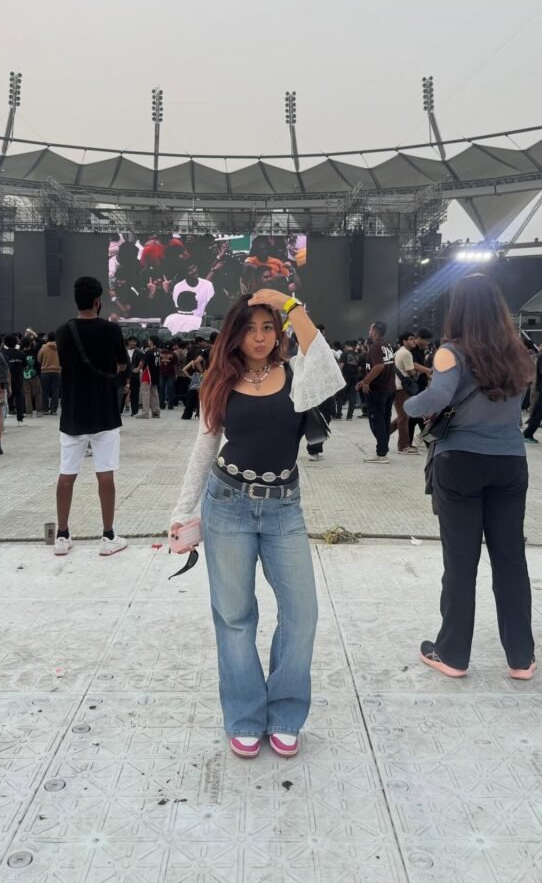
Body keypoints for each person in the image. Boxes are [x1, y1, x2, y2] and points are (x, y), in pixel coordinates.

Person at [169, 289, 344, 760]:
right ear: (235, 334)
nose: (261, 337)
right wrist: (183, 513)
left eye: (269, 327)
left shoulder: (297, 376)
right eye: (251, 328)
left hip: (285, 507)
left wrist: (291, 304)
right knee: (234, 616)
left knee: (302, 612)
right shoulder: (220, 380)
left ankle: (286, 710)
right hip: (226, 504)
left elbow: (328, 367)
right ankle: (245, 715)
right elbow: (205, 448)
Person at [404, 274, 535, 679]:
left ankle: (453, 655)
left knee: (461, 561)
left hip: (460, 461)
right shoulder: (518, 352)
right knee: (511, 558)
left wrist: (408, 405)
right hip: (511, 462)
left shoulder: (450, 352)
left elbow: (438, 397)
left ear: (458, 308)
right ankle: (521, 657)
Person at [53, 276, 129, 557]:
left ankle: (62, 535)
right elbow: (122, 363)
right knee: (105, 475)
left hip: (73, 411)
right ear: (98, 301)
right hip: (104, 411)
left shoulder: (63, 331)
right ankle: (108, 536)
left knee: (66, 475)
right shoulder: (111, 330)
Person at [357, 321, 395, 463]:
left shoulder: (375, 347)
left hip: (378, 390)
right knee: (385, 420)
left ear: (374, 331)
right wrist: (364, 381)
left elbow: (379, 366)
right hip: (389, 389)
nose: (369, 331)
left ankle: (381, 453)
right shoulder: (387, 345)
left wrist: (366, 381)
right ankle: (383, 450)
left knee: (377, 421)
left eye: (370, 329)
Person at [389, 331, 422, 455]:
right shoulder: (406, 353)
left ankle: (384, 434)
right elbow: (410, 372)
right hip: (402, 389)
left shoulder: (398, 352)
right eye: (411, 339)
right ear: (404, 341)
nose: (414, 341)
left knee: (402, 415)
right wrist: (417, 374)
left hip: (397, 387)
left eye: (414, 338)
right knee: (404, 417)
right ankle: (403, 446)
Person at [2, 334, 26, 424]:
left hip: (6, 378)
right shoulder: (21, 353)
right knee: (19, 396)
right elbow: (25, 366)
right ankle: (20, 418)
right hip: (19, 378)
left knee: (6, 397)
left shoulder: (3, 353)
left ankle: (5, 416)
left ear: (5, 343)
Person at [38, 331, 62, 415]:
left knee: (45, 391)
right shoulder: (60, 347)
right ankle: (54, 410)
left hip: (45, 371)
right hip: (57, 371)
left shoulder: (43, 347)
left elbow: (39, 359)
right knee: (56, 391)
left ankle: (45, 409)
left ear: (48, 338)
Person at [138, 336, 161, 419]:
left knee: (145, 393)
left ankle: (145, 413)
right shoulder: (158, 352)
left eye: (149, 340)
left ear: (151, 341)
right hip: (156, 374)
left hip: (147, 374)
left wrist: (137, 369)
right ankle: (156, 412)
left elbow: (142, 363)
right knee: (154, 393)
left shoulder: (148, 352)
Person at [335, 340, 359, 420]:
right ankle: (349, 416)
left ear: (346, 346)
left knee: (340, 396)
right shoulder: (357, 355)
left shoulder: (344, 354)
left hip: (345, 378)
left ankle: (338, 414)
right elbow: (358, 367)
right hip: (355, 378)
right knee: (352, 397)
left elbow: (341, 366)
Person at [22, 339, 43, 416]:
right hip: (34, 375)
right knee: (38, 393)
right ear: (30, 344)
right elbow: (40, 342)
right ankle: (39, 412)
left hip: (24, 375)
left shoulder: (21, 353)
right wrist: (33, 334)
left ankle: (29, 412)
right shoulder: (34, 351)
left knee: (27, 394)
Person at [126, 336, 144, 417]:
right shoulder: (124, 351)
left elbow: (142, 362)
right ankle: (119, 409)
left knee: (135, 393)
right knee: (123, 392)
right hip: (125, 374)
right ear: (128, 342)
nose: (133, 343)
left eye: (135, 342)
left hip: (134, 374)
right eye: (132, 341)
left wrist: (138, 368)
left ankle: (134, 411)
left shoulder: (139, 352)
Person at [158, 342, 177, 410]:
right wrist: (176, 374)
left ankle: (161, 405)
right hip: (170, 373)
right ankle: (170, 405)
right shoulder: (173, 354)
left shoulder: (159, 354)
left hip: (161, 373)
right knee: (170, 390)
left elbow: (158, 363)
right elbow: (175, 365)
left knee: (161, 390)